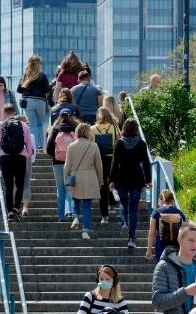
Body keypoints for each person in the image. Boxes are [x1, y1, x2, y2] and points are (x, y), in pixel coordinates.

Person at [0, 103, 35, 221]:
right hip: (20, 157)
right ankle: (17, 208)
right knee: (20, 184)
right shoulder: (23, 125)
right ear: (14, 113)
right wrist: (27, 156)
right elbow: (29, 144)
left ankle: (10, 212)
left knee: (8, 185)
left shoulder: (0, 125)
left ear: (4, 113)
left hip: (5, 157)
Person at [111, 118, 153, 249]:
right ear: (136, 129)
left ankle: (124, 221)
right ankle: (131, 239)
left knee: (123, 203)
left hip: (121, 178)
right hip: (137, 178)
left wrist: (111, 180)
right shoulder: (141, 144)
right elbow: (146, 163)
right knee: (133, 209)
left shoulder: (119, 143)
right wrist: (148, 180)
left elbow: (114, 163)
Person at [64, 122, 103, 240]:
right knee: (87, 205)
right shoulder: (94, 145)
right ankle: (85, 230)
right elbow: (99, 165)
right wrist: (100, 180)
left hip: (76, 176)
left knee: (75, 199)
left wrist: (65, 178)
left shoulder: (71, 146)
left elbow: (67, 165)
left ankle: (76, 217)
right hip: (90, 177)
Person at [46, 110, 80, 222]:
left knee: (60, 189)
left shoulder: (55, 130)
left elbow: (48, 149)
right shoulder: (76, 129)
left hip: (57, 164)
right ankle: (72, 212)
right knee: (70, 188)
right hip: (72, 164)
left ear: (59, 117)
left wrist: (57, 156)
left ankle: (61, 216)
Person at [91, 107, 121, 224]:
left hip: (98, 159)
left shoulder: (92, 128)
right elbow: (119, 142)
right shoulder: (114, 127)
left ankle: (104, 216)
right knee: (112, 180)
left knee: (102, 185)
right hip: (111, 158)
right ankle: (112, 201)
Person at [17, 55, 51, 150]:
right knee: (40, 123)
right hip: (40, 102)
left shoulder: (25, 75)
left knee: (32, 124)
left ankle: (33, 145)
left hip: (28, 102)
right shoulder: (42, 75)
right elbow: (47, 89)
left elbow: (19, 90)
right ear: (39, 64)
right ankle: (40, 145)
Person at [147, 190, 186, 261]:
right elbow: (185, 233)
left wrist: (149, 250)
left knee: (161, 267)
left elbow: (151, 233)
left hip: (161, 245)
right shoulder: (180, 213)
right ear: (173, 200)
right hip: (176, 246)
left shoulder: (156, 212)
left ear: (160, 200)